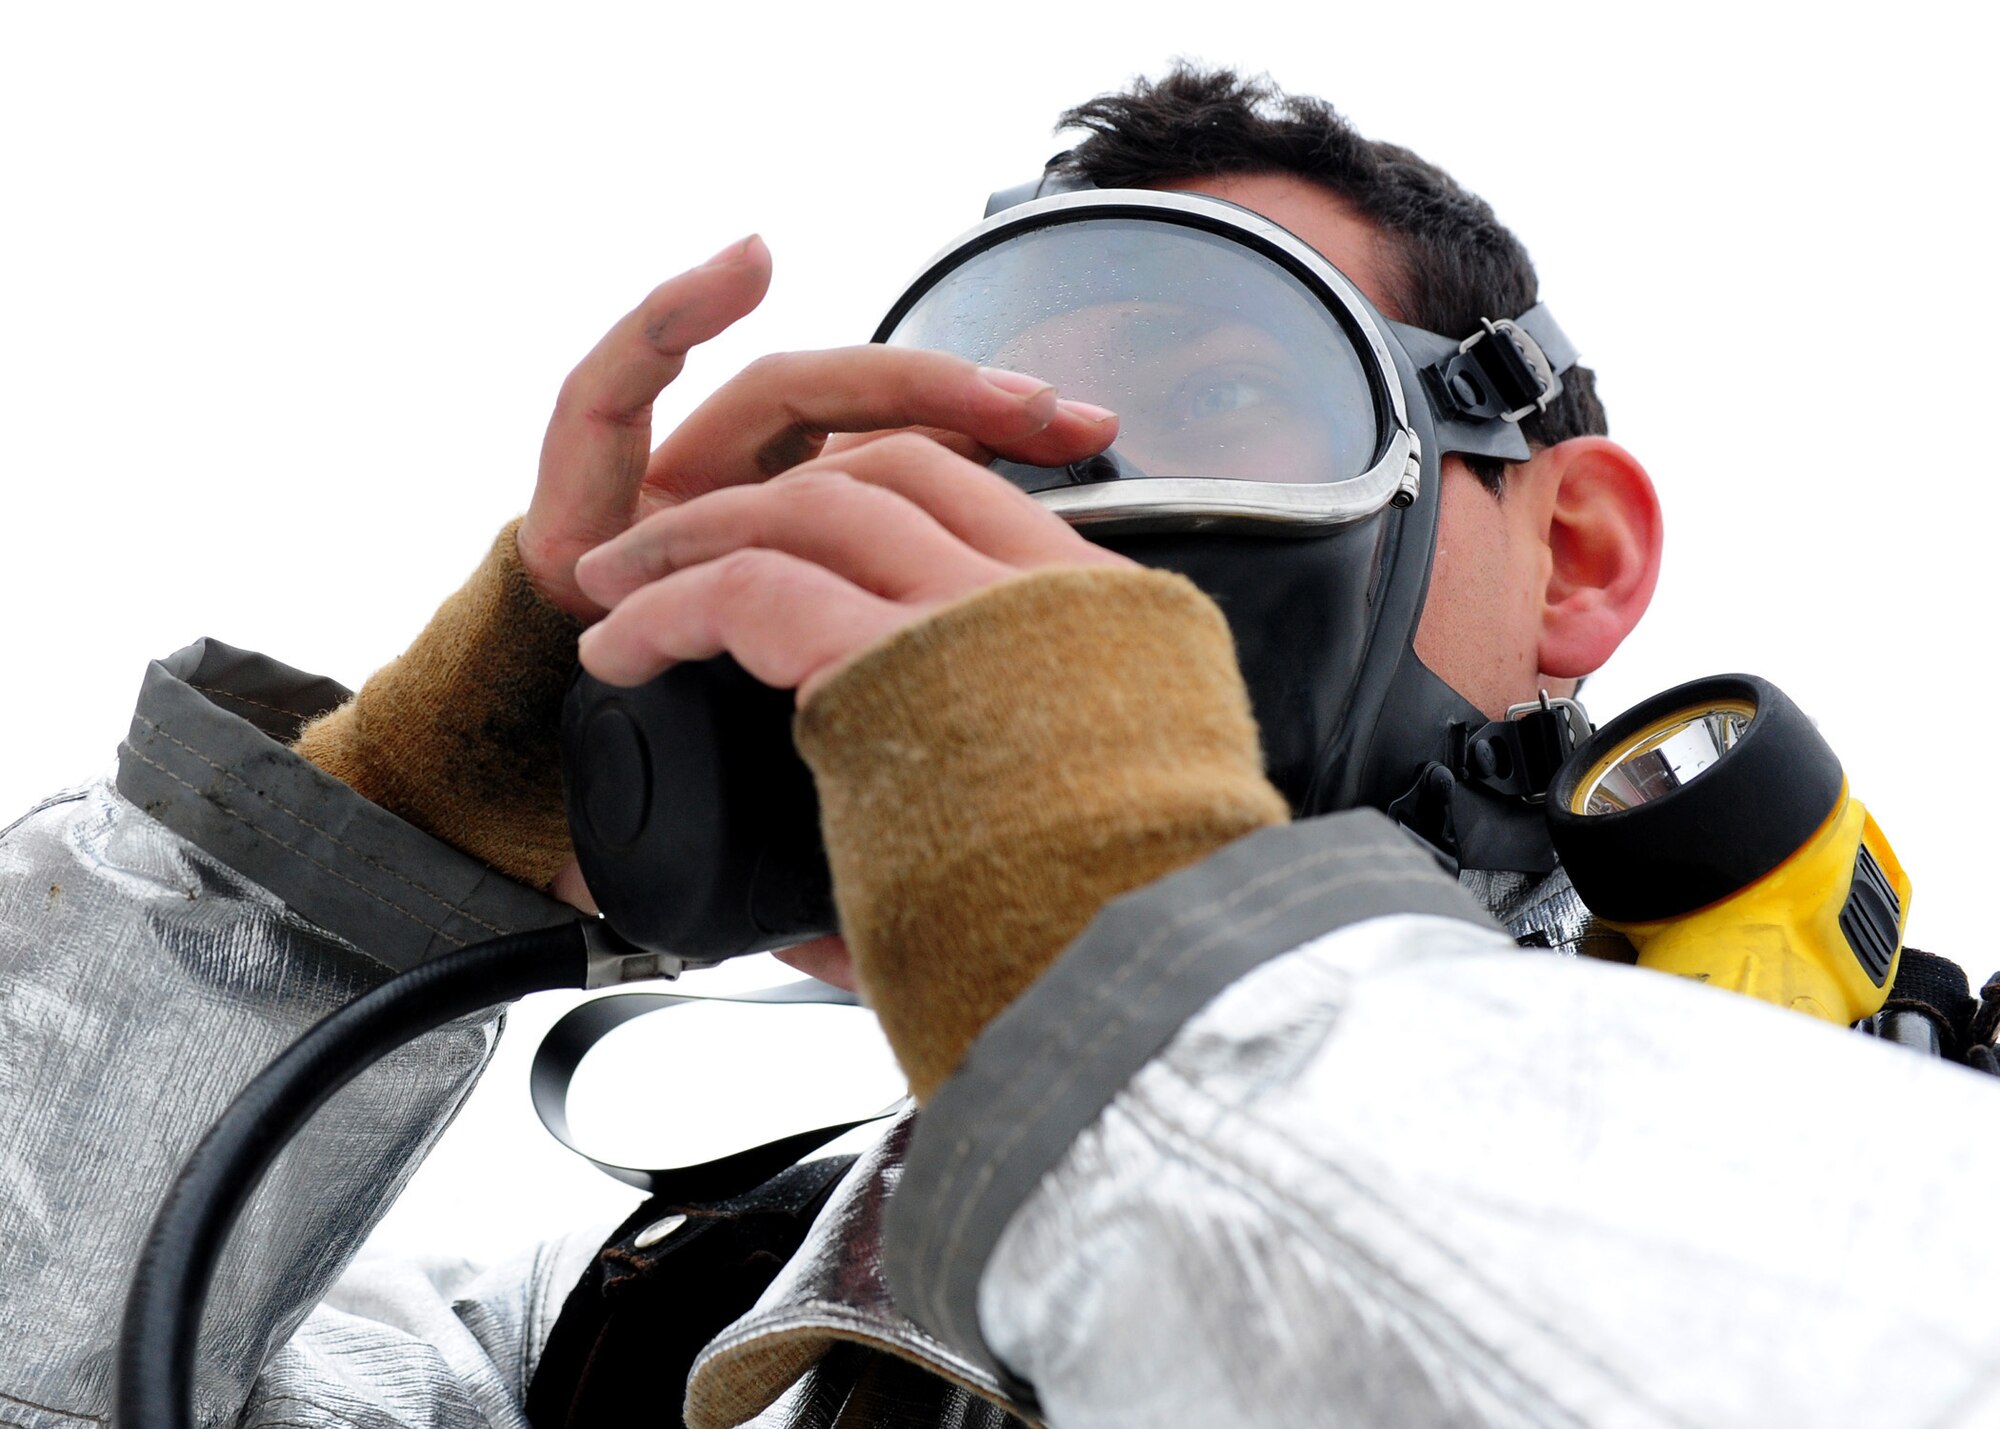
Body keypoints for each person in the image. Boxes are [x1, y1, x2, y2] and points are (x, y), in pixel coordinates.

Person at [5, 67, 1999, 1429]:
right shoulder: (659, 1336)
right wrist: (339, 868)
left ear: (1574, 555)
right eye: (966, 455)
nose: (1049, 533)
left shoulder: (1915, 1166)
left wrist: (1162, 990)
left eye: (1224, 396)